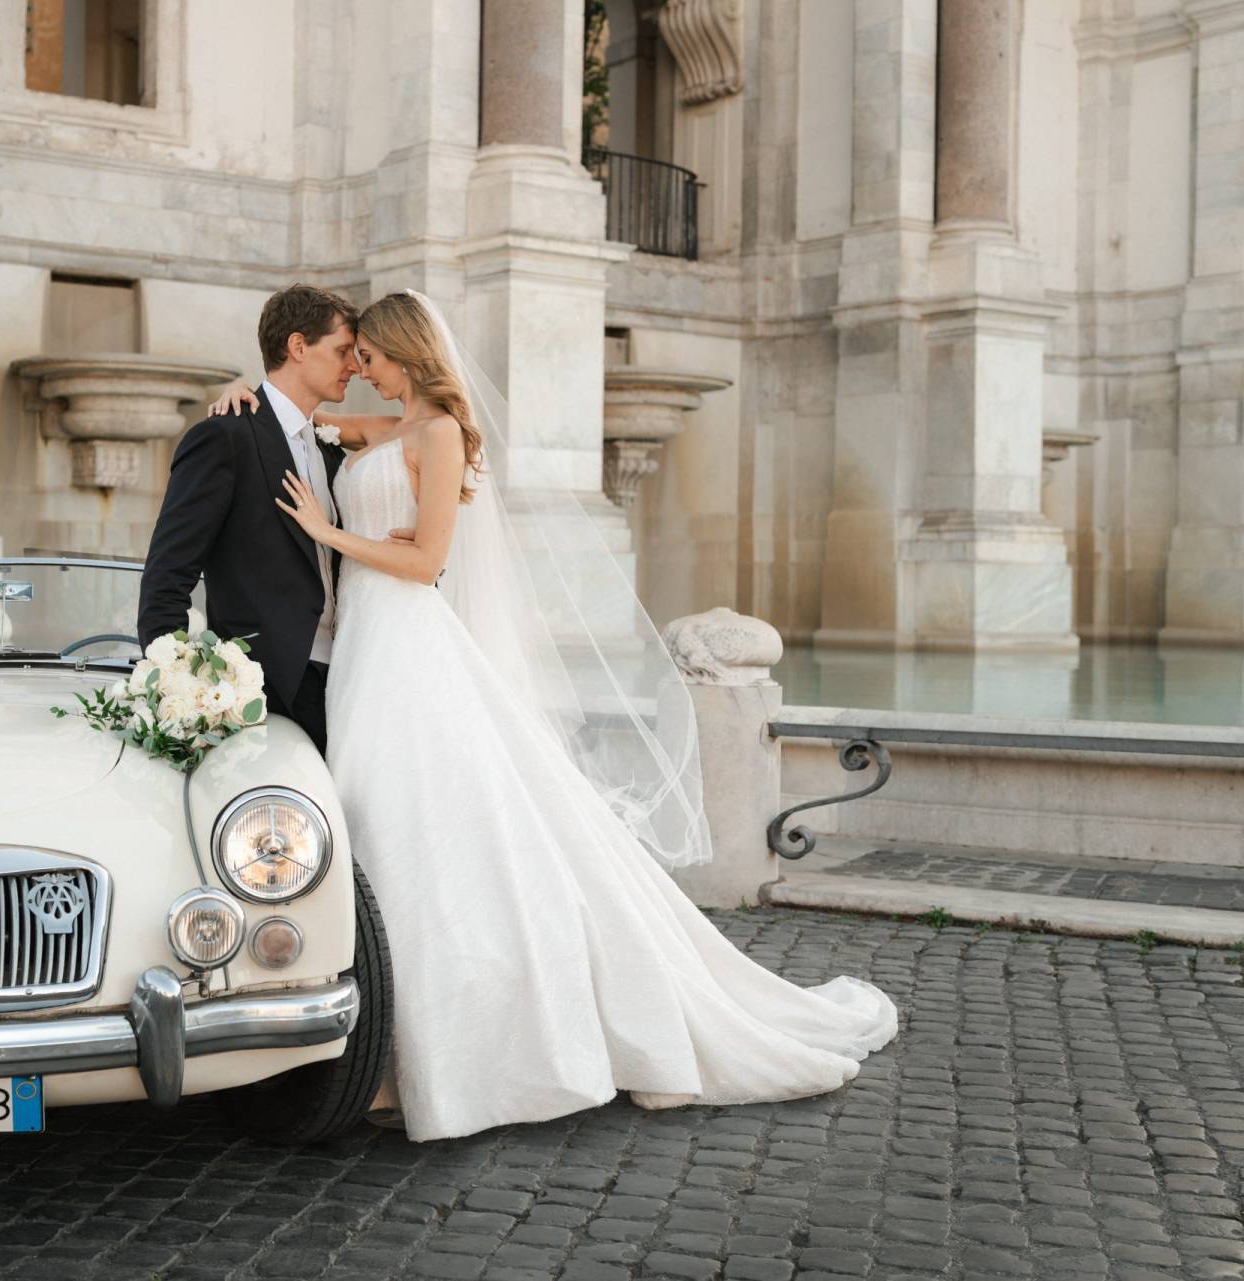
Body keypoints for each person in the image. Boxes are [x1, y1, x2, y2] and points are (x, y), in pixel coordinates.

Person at [209, 291, 899, 1141]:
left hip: (408, 642)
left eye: (372, 357)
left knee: (416, 831)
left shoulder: (440, 434)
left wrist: (329, 530)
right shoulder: (375, 431)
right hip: (362, 654)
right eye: (353, 357)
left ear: (405, 353)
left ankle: (440, 1056)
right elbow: (289, 421)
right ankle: (389, 1047)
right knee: (384, 835)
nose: (360, 369)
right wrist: (240, 393)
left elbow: (425, 563)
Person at [137, 284, 358, 755]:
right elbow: (167, 577)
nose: (354, 366)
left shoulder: (332, 448)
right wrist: (181, 692)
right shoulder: (224, 438)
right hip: (264, 687)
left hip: (348, 680)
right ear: (298, 346)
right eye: (342, 351)